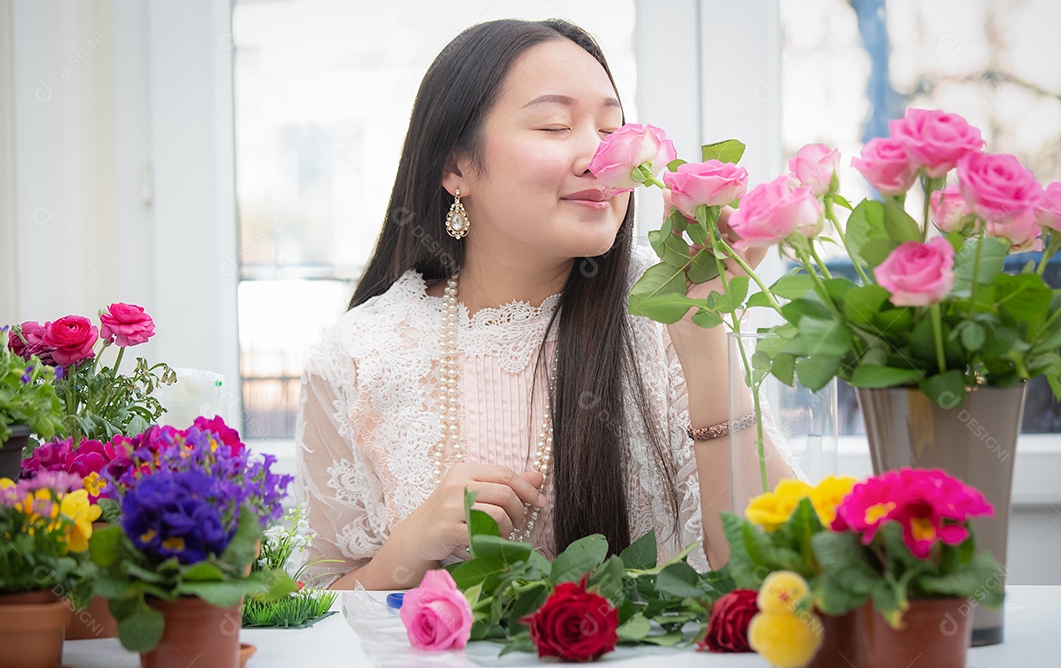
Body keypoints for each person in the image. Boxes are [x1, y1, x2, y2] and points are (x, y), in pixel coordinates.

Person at [294, 18, 798, 591]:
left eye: (611, 131)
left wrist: (702, 335)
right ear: (457, 167)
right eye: (555, 126)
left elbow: (777, 576)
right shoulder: (358, 356)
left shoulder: (663, 314)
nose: (599, 159)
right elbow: (310, 606)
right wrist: (408, 550)